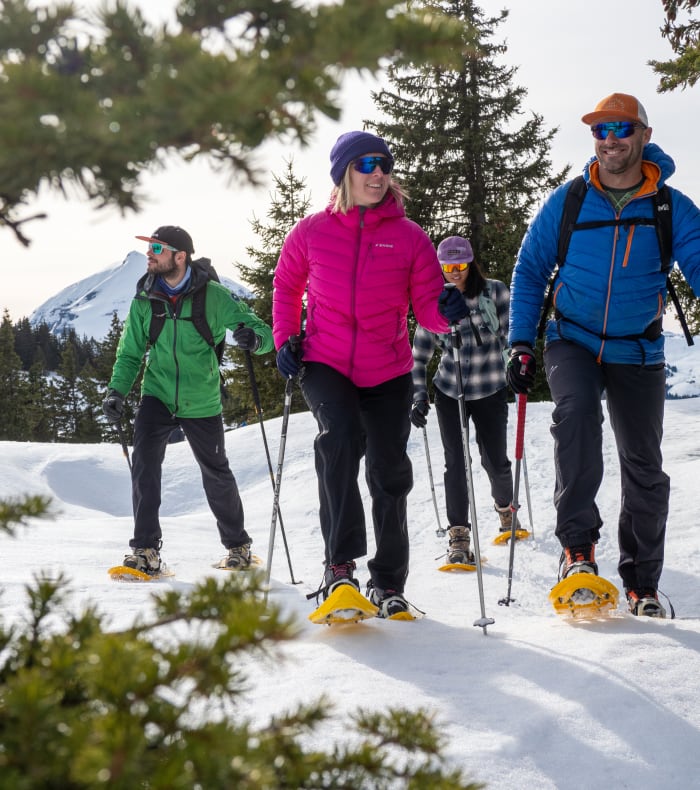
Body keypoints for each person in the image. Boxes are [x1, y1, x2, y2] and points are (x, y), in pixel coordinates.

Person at [507, 93, 700, 617]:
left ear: (643, 133)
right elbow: (529, 270)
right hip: (572, 337)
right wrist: (521, 343)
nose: (609, 139)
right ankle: (577, 552)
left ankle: (641, 582)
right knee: (577, 418)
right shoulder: (568, 201)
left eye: (620, 128)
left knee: (644, 463)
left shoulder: (671, 208)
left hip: (638, 346)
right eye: (599, 130)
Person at [272, 131, 468, 617]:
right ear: (344, 173)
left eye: (384, 164)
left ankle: (388, 582)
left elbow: (426, 308)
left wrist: (445, 312)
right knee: (337, 440)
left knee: (389, 471)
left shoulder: (409, 237)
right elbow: (286, 285)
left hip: (388, 368)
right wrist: (283, 341)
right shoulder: (312, 231)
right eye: (366, 165)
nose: (378, 173)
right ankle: (340, 567)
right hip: (325, 360)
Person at [102, 225, 274, 574]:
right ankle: (145, 550)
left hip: (202, 399)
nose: (149, 253)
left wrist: (253, 340)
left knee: (215, 472)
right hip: (158, 394)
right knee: (145, 467)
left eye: (157, 248)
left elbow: (263, 332)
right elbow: (130, 354)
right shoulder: (145, 299)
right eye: (149, 247)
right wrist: (116, 391)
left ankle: (237, 546)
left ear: (179, 257)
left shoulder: (213, 296)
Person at [411, 235, 516, 565]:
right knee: (456, 463)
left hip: (490, 386)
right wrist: (417, 395)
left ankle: (505, 508)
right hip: (450, 390)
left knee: (495, 460)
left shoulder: (496, 292)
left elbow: (510, 337)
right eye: (447, 267)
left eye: (459, 266)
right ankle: (459, 534)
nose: (453, 273)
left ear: (471, 263)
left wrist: (516, 363)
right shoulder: (434, 301)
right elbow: (419, 355)